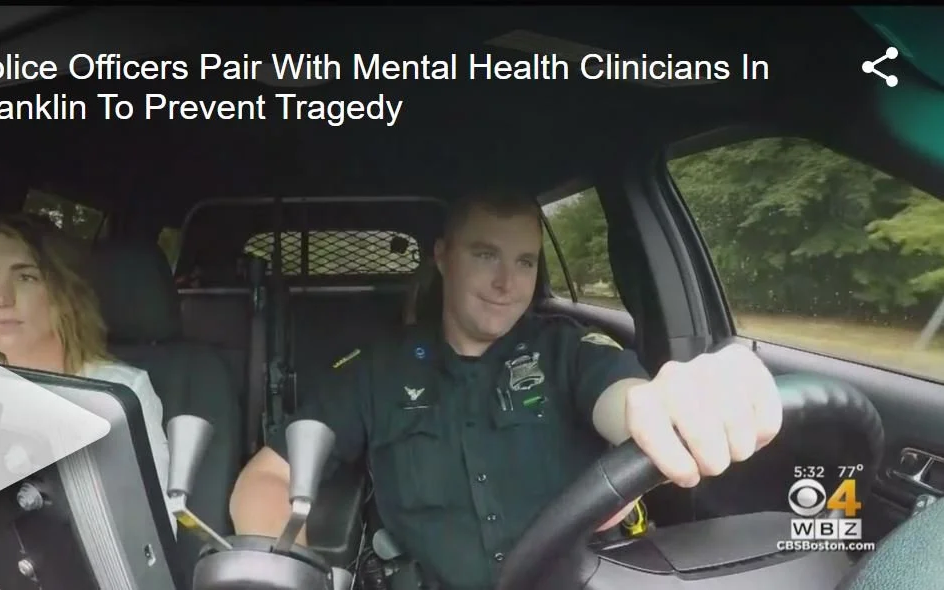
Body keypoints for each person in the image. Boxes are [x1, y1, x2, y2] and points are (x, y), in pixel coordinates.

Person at [229, 190, 783, 589]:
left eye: (524, 261)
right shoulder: (375, 370)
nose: (506, 283)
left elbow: (632, 401)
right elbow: (268, 476)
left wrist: (669, 404)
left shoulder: (569, 350)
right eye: (485, 255)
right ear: (443, 257)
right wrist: (291, 574)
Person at [0, 212, 175, 534]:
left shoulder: (117, 393)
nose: (1, 299)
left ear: (64, 297)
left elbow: (155, 529)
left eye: (26, 277)